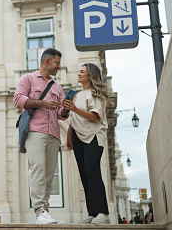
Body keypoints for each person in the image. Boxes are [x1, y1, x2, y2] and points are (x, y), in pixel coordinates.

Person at [13, 48, 68, 225]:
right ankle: (39, 211)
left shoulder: (57, 87)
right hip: (35, 130)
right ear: (47, 62)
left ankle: (45, 211)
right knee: (37, 170)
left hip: (54, 133)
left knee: (49, 175)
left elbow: (60, 113)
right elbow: (18, 99)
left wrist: (66, 109)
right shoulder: (27, 79)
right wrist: (43, 103)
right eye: (57, 63)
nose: (59, 66)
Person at [64, 63, 110, 225]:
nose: (79, 74)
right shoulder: (77, 95)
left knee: (92, 171)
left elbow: (94, 117)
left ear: (90, 75)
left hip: (94, 137)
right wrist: (69, 135)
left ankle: (103, 213)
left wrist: (75, 109)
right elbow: (74, 118)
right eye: (79, 71)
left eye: (82, 72)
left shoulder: (96, 94)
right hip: (78, 136)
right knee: (84, 174)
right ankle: (92, 212)